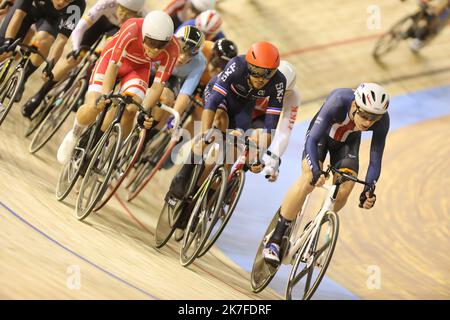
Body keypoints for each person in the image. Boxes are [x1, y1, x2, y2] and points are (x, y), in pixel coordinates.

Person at [262, 83, 391, 266]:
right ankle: (276, 238)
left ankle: (313, 228)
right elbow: (313, 140)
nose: (368, 122)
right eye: (364, 115)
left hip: (347, 145)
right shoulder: (338, 101)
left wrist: (368, 189)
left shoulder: (383, 121)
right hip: (320, 138)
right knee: (308, 180)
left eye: (374, 118)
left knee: (345, 189)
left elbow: (375, 158)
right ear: (354, 105)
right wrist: (316, 169)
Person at [166, 41, 286, 214]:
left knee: (234, 152)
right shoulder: (237, 65)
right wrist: (206, 132)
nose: (262, 79)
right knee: (216, 126)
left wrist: (257, 156)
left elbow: (270, 125)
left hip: (243, 106)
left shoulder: (278, 82)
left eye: (268, 74)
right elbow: (213, 101)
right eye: (258, 73)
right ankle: (181, 180)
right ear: (250, 66)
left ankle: (202, 201)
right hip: (219, 96)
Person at [56, 10, 180, 165]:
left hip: (138, 69)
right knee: (94, 106)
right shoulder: (132, 28)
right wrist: (105, 95)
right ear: (144, 34)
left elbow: (157, 85)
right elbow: (113, 66)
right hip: (111, 61)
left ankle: (112, 151)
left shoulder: (173, 49)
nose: (155, 49)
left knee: (131, 109)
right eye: (152, 43)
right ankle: (74, 134)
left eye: (161, 45)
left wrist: (144, 110)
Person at [22, 0, 146, 118]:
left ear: (137, 13)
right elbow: (80, 28)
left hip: (118, 32)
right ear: (117, 4)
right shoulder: (107, 3)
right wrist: (77, 49)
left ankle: (85, 87)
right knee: (74, 58)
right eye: (121, 11)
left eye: (128, 14)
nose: (123, 17)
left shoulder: (144, 18)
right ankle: (40, 94)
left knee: (105, 55)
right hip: (100, 23)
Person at [0, 0, 87, 101]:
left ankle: (23, 77)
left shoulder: (78, 5)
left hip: (51, 19)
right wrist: (8, 42)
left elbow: (62, 39)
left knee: (45, 40)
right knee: (4, 48)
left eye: (67, 1)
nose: (62, 2)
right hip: (28, 8)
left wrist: (51, 65)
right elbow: (19, 14)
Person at [252, 60, 301, 182]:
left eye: (283, 91)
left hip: (262, 119)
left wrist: (274, 159)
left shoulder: (294, 96)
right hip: (246, 111)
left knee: (258, 142)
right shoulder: (260, 80)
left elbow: (285, 131)